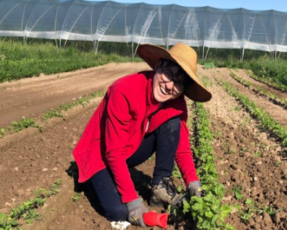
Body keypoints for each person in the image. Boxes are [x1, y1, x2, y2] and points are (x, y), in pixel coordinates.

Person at [72, 43, 212, 227]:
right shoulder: (125, 90)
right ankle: (95, 179)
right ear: (158, 67)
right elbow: (112, 152)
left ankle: (160, 185)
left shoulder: (176, 102)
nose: (169, 86)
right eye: (168, 74)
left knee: (173, 120)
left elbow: (182, 148)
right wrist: (133, 201)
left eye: (178, 84)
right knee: (119, 212)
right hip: (100, 153)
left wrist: (194, 183)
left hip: (128, 149)